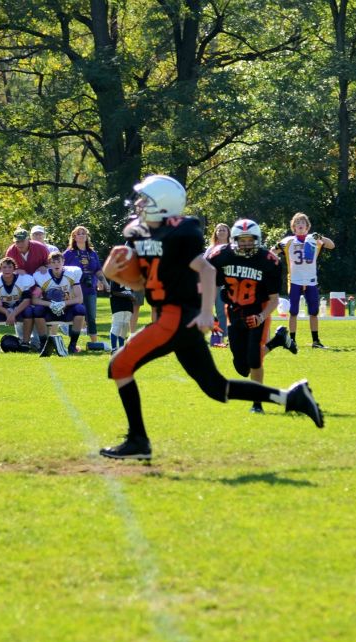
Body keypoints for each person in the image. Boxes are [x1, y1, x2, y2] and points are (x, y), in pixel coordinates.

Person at [100, 174, 324, 461]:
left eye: (147, 200)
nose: (140, 204)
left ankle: (138, 441)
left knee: (119, 365)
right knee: (216, 387)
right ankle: (291, 397)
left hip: (177, 317)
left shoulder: (180, 232)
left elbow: (206, 270)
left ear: (163, 205)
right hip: (175, 317)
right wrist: (112, 273)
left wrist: (207, 312)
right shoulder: (140, 233)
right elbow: (144, 283)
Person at [207, 218, 284, 414]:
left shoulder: (269, 261)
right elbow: (210, 285)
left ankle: (257, 404)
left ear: (257, 240)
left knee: (254, 359)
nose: (246, 244)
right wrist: (207, 310)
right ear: (234, 240)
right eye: (242, 240)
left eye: (250, 240)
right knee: (242, 367)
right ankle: (278, 341)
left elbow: (274, 299)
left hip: (258, 311)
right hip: (234, 311)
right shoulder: (220, 256)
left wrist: (262, 316)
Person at [273, 212, 335, 348]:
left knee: (314, 311)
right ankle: (292, 340)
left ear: (307, 226)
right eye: (297, 223)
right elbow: (272, 252)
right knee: (293, 311)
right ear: (293, 227)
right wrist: (275, 255)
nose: (300, 225)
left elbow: (331, 245)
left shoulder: (313, 239)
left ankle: (316, 341)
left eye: (302, 222)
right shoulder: (288, 241)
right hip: (295, 280)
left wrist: (321, 237)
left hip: (311, 280)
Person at [32, 251, 86, 356]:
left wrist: (64, 303)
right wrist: (50, 304)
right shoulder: (42, 277)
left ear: (63, 262)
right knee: (37, 310)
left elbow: (80, 299)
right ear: (49, 264)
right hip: (49, 309)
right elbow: (34, 299)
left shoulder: (72, 274)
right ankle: (43, 345)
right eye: (53, 262)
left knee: (80, 309)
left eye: (58, 262)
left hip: (66, 309)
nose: (56, 264)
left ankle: (72, 345)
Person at [63, 225, 108, 345]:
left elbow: (98, 270)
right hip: (75, 290)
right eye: (79, 233)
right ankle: (73, 344)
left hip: (90, 288)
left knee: (91, 317)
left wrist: (104, 282)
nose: (82, 235)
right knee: (74, 315)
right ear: (74, 237)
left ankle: (94, 343)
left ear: (87, 236)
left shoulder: (92, 253)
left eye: (84, 233)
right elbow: (62, 270)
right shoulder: (68, 253)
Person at [0, 256, 36, 352]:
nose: (7, 270)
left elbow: (27, 301)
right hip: (3, 309)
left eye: (10, 267)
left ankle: (25, 343)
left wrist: (14, 313)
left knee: (29, 311)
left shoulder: (23, 280)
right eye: (4, 267)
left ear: (14, 269)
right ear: (0, 269)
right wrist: (6, 312)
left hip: (19, 309)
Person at [206, 222, 231, 342]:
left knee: (221, 311)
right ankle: (213, 333)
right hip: (211, 283)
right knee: (206, 310)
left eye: (223, 230)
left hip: (225, 284)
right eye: (219, 230)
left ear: (228, 233)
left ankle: (223, 336)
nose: (221, 232)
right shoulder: (211, 248)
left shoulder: (232, 248)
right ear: (215, 233)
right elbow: (203, 264)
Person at [108, 278, 135, 350]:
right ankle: (114, 348)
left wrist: (132, 296)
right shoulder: (116, 276)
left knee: (125, 326)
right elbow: (113, 292)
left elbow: (130, 291)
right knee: (117, 324)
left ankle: (121, 348)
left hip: (128, 304)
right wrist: (128, 296)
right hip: (118, 304)